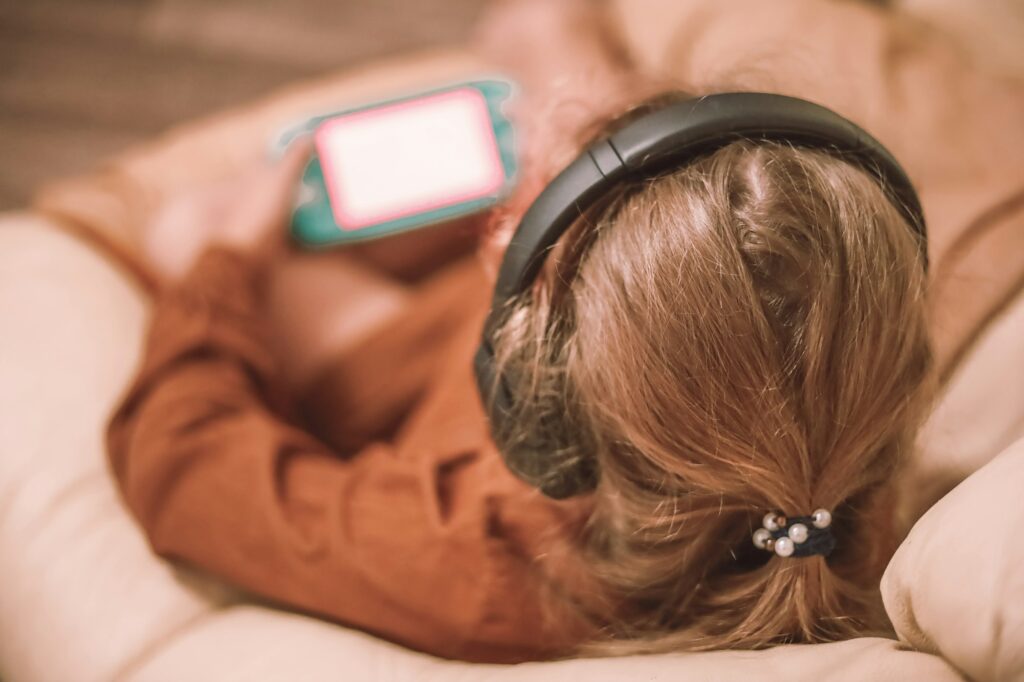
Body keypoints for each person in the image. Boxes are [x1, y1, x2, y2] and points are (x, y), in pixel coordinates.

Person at [104, 0, 1022, 665]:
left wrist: (218, 258)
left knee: (187, 227)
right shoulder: (832, 470)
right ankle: (581, 92)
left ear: (530, 410)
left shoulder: (483, 562)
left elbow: (182, 458)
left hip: (419, 360)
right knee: (587, 83)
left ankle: (571, 96)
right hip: (635, 328)